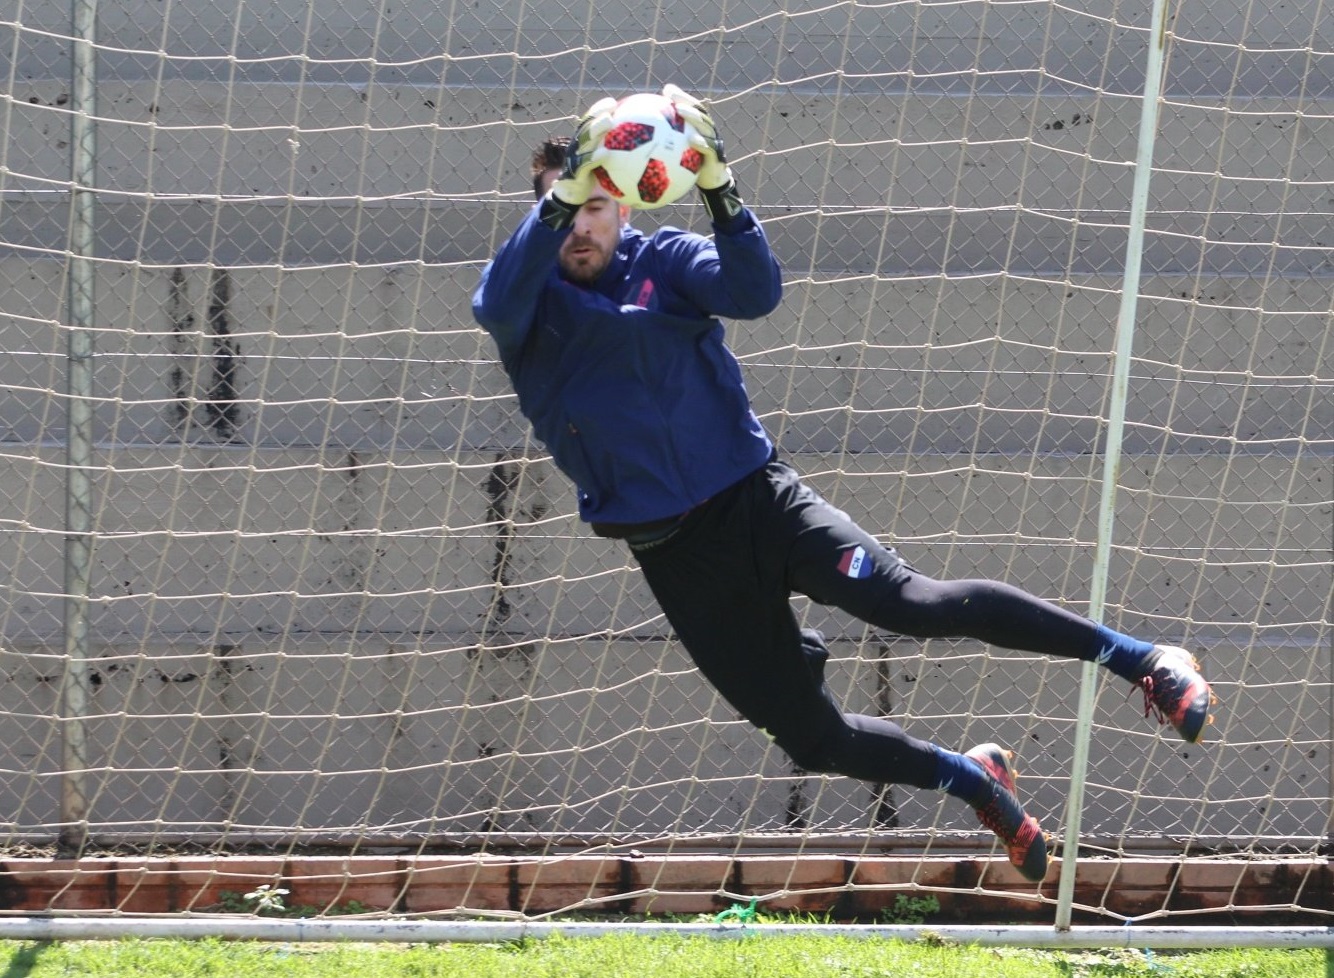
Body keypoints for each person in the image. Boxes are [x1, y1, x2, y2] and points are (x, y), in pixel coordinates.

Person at [471, 85, 1217, 882]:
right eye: (567, 206)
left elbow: (755, 293)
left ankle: (1142, 658)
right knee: (816, 741)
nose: (582, 222)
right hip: (679, 558)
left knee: (913, 604)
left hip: (761, 503)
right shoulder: (526, 303)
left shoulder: (667, 262)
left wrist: (722, 189)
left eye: (596, 205)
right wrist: (568, 191)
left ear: (628, 207)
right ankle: (977, 781)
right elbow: (491, 301)